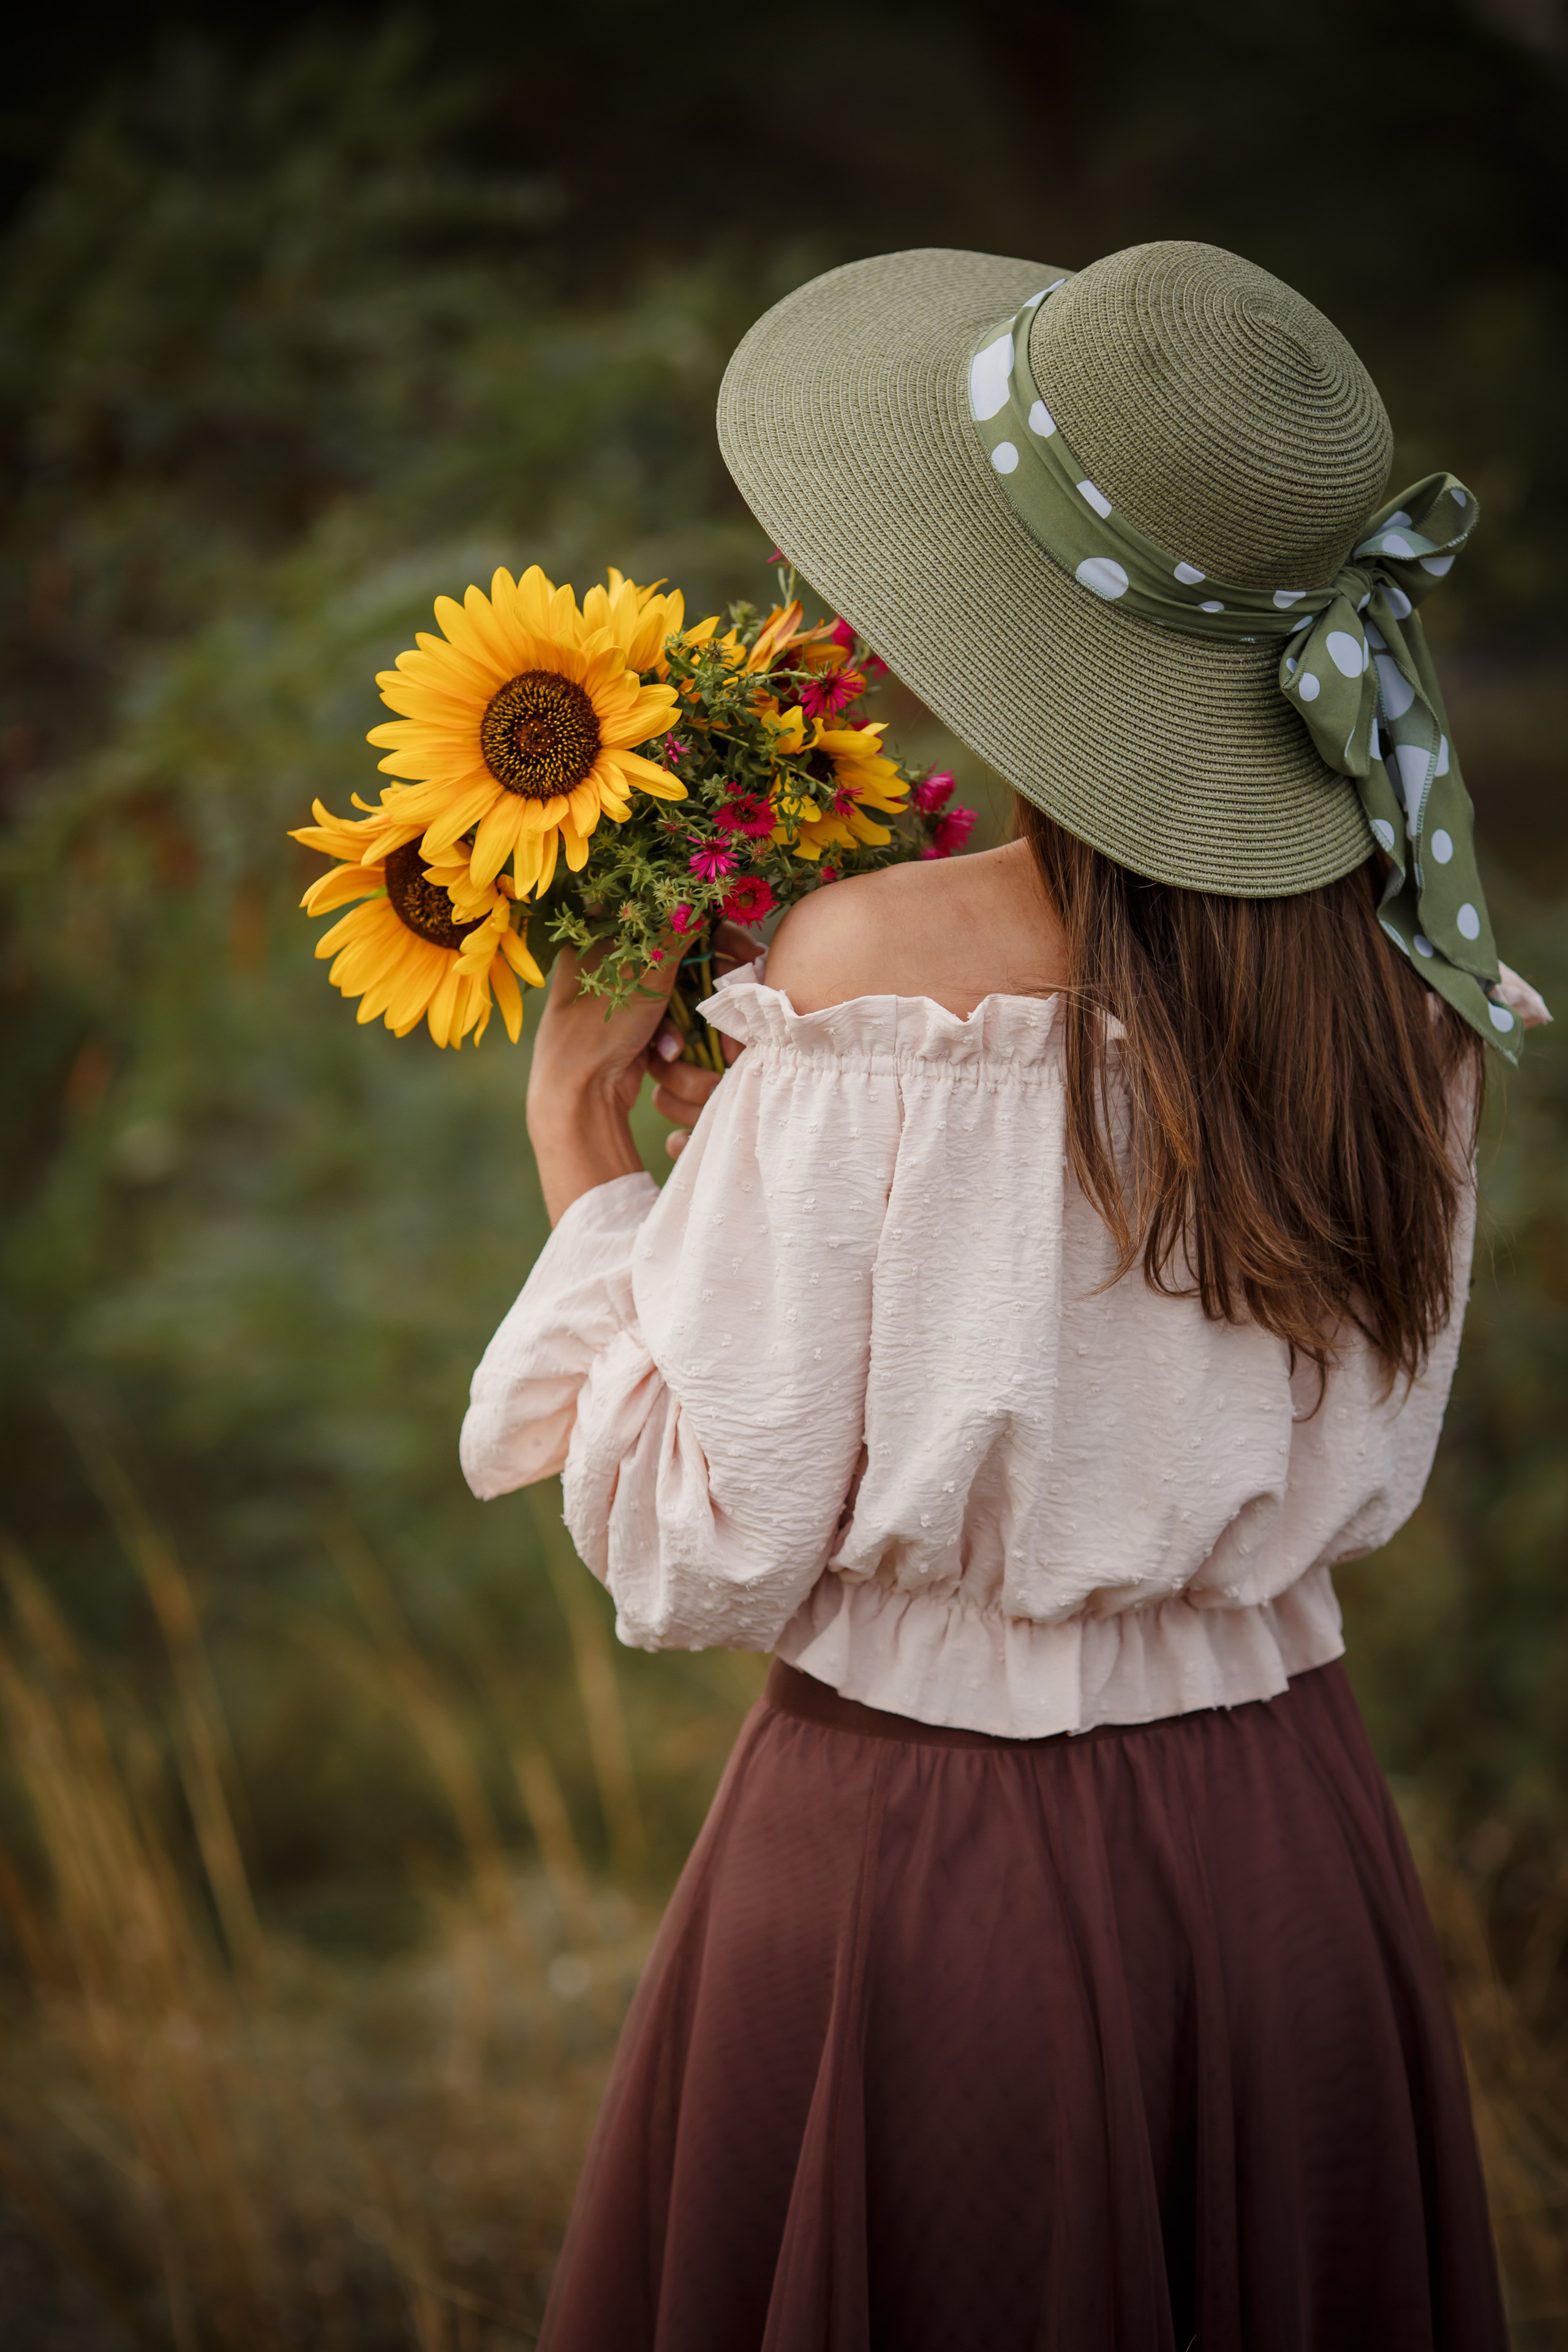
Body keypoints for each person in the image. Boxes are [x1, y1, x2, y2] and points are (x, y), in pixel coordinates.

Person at [459, 242, 1548, 2350]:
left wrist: (589, 1151)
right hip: (1291, 1854)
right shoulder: (1413, 983)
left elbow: (695, 1538)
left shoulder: (874, 979)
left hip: (914, 1859)